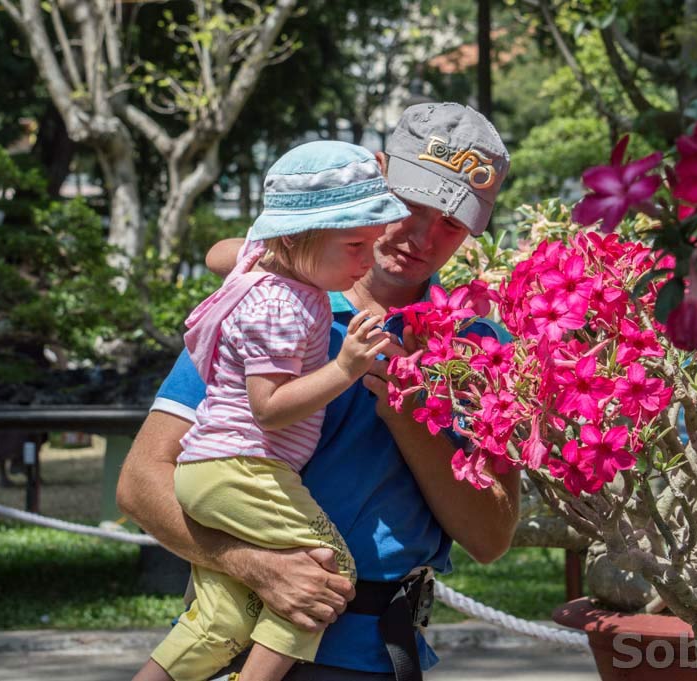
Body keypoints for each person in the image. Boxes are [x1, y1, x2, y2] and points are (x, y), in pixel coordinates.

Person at [116, 103, 519, 681]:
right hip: (236, 644)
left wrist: (411, 413)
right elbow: (140, 482)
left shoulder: (478, 344)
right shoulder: (268, 304)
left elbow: (489, 537)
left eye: (452, 222)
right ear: (378, 174)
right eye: (412, 204)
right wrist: (256, 566)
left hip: (375, 658)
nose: (423, 237)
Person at [134, 141, 411, 681]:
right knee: (328, 574)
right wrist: (346, 367)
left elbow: (224, 251)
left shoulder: (261, 266)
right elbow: (270, 408)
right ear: (294, 238)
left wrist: (356, 180)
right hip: (246, 468)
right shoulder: (282, 306)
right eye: (355, 244)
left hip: (209, 468)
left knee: (221, 616)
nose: (367, 260)